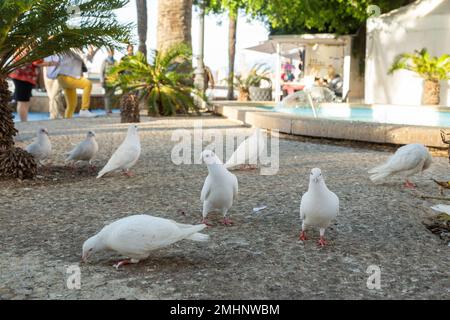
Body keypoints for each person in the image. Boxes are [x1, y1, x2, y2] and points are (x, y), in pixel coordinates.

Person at [56, 51, 96, 118]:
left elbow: (87, 58)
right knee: (87, 84)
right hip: (66, 77)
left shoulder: (71, 49)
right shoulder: (73, 48)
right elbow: (83, 57)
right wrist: (92, 51)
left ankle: (67, 120)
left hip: (65, 78)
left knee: (72, 104)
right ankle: (84, 109)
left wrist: (92, 52)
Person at [43, 54, 65, 119]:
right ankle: (62, 113)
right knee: (53, 97)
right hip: (48, 75)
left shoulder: (63, 51)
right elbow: (40, 63)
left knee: (54, 95)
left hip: (59, 75)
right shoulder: (45, 51)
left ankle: (53, 116)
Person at [100, 48, 117, 114]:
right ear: (108, 52)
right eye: (110, 52)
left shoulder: (115, 61)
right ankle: (107, 110)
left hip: (113, 82)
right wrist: (102, 81)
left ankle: (110, 109)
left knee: (112, 97)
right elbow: (101, 71)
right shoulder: (105, 61)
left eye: (112, 51)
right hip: (106, 82)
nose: (111, 53)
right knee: (107, 96)